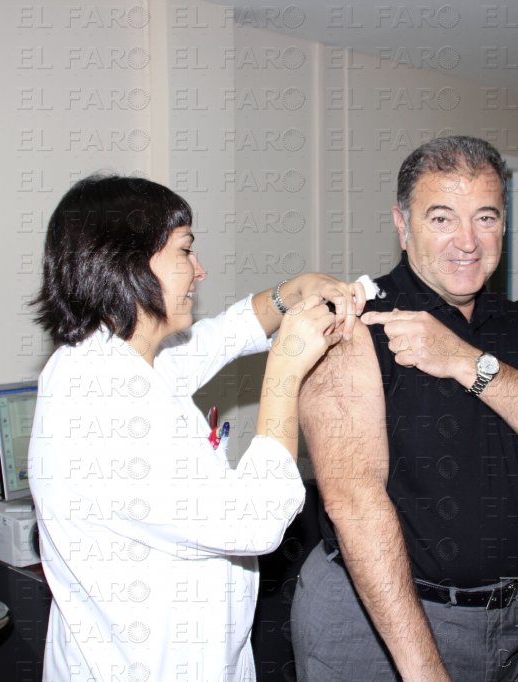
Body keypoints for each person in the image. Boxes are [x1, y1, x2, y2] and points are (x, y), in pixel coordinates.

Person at [291, 136, 518, 681]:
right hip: (375, 623)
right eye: (441, 218)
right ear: (402, 224)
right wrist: (425, 671)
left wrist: (465, 361)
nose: (467, 241)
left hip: (505, 618)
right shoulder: (354, 325)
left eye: (486, 217)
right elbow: (355, 508)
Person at [27, 174, 365, 681]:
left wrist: (293, 291)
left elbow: (222, 335)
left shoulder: (117, 358)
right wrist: (285, 369)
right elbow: (256, 518)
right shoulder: (100, 406)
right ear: (128, 261)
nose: (199, 270)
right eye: (185, 250)